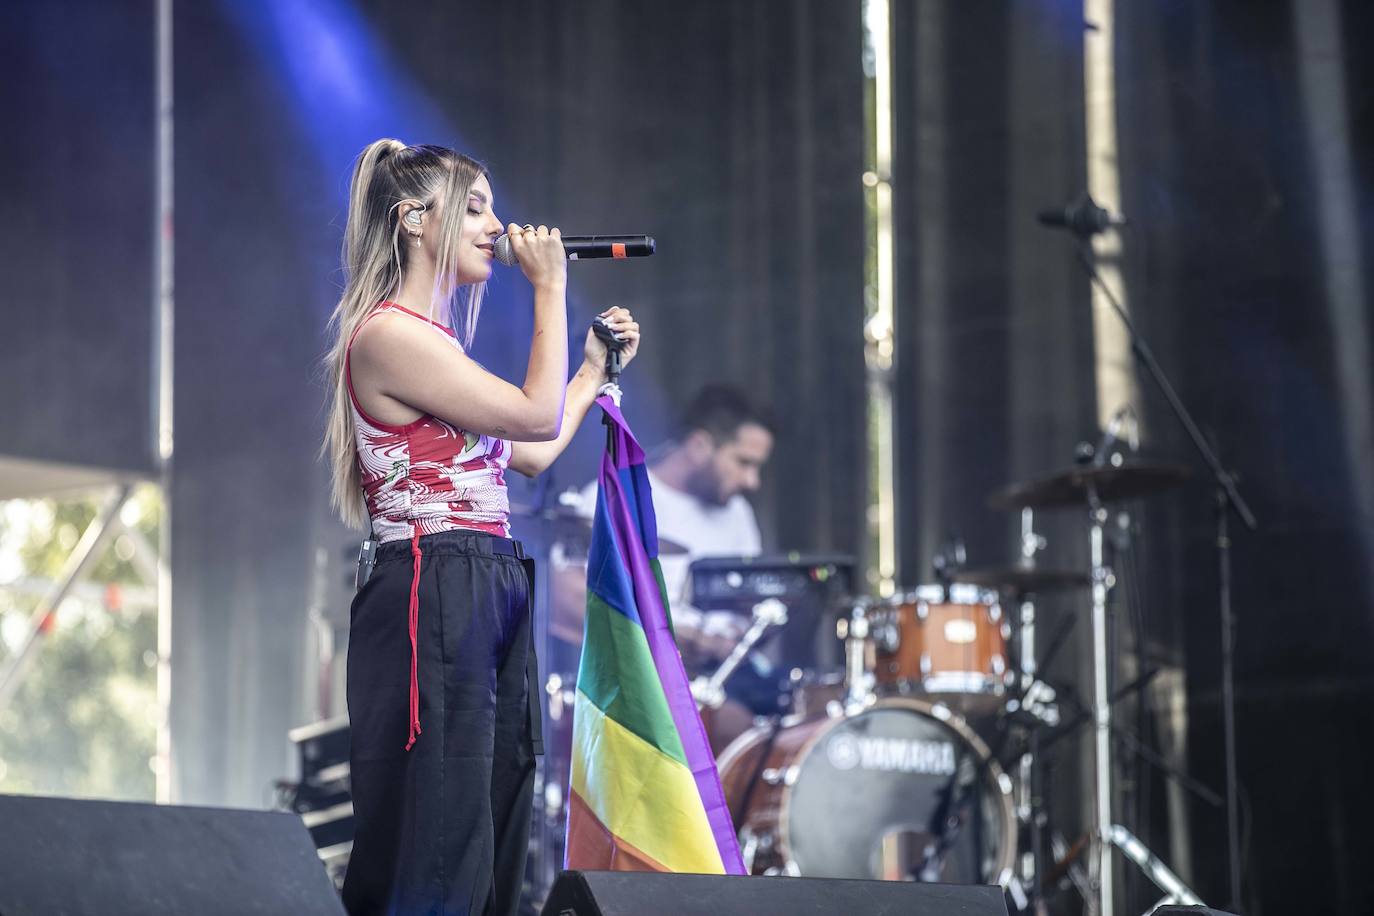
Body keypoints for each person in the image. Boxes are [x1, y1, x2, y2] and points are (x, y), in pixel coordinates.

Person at [321, 139, 639, 916]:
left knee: (494, 817)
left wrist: (593, 369)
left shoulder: (435, 345)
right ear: (412, 221)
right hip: (435, 577)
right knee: (438, 833)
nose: (495, 226)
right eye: (474, 208)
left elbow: (528, 452)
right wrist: (550, 287)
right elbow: (533, 413)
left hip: (484, 576)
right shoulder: (389, 336)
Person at [549, 385, 774, 751]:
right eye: (743, 462)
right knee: (738, 730)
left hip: (720, 678)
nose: (752, 481)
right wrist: (675, 635)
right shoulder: (618, 496)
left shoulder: (737, 514)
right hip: (640, 680)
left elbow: (746, 604)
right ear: (701, 445)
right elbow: (568, 599)